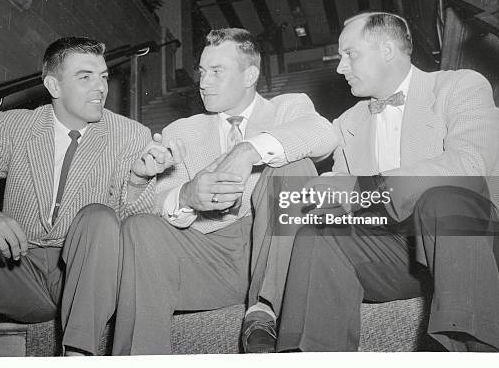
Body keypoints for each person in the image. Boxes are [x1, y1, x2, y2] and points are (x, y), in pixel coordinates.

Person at [276, 12, 499, 352]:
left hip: (477, 247)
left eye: (349, 54)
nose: (340, 67)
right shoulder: (347, 122)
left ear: (387, 49)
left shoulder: (460, 86)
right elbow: (342, 197)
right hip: (399, 259)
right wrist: (321, 200)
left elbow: (468, 164)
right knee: (318, 236)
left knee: (443, 198)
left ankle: (475, 350)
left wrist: (363, 189)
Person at [0, 36, 163, 355]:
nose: (101, 87)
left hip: (88, 273)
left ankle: (78, 354)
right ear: (54, 86)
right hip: (20, 269)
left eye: (103, 76)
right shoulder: (15, 127)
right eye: (85, 76)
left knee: (98, 216)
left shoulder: (130, 135)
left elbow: (137, 231)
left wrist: (139, 181)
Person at [112, 28, 338, 355]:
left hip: (277, 247)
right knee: (139, 227)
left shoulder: (287, 108)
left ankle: (264, 309)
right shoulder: (181, 130)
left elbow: (323, 135)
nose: (204, 83)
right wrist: (187, 195)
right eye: (202, 72)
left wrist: (246, 150)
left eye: (217, 72)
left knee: (293, 167)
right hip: (211, 257)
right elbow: (154, 203)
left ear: (250, 75)